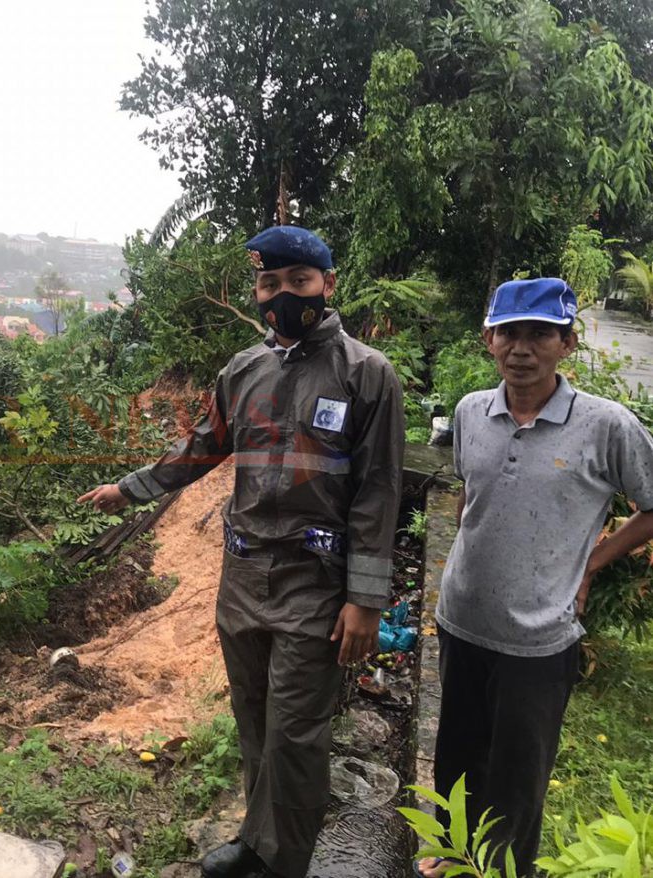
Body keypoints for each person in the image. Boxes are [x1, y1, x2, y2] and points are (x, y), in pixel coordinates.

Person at [79, 226, 404, 878]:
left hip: (316, 581)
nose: (282, 296)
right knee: (253, 718)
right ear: (256, 290)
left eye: (298, 282)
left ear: (328, 285)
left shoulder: (367, 374)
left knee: (295, 733)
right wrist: (131, 488)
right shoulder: (242, 371)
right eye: (269, 284)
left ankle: (286, 861)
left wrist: (365, 600)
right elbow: (202, 447)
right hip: (244, 574)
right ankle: (259, 843)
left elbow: (378, 492)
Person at [415, 278, 653, 878]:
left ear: (567, 343)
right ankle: (450, 851)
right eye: (509, 333)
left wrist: (592, 562)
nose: (522, 348)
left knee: (518, 774)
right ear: (488, 340)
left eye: (539, 334)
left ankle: (502, 871)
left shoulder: (606, 425)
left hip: (539, 639)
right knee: (457, 754)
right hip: (461, 620)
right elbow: (474, 495)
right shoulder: (471, 410)